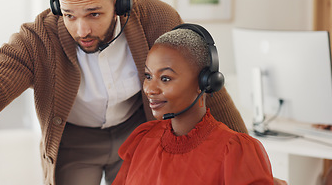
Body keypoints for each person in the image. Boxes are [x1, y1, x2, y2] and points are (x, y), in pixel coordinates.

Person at [0, 0, 249, 185]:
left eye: (94, 14)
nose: (81, 29)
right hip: (76, 140)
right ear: (58, 9)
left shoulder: (158, 20)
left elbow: (203, 85)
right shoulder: (40, 36)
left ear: (119, 5)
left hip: (137, 129)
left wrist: (247, 161)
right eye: (69, 15)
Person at [112, 24, 274, 184]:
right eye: (148, 76)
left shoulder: (233, 151)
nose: (150, 89)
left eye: (165, 78)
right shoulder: (143, 139)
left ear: (203, 82)